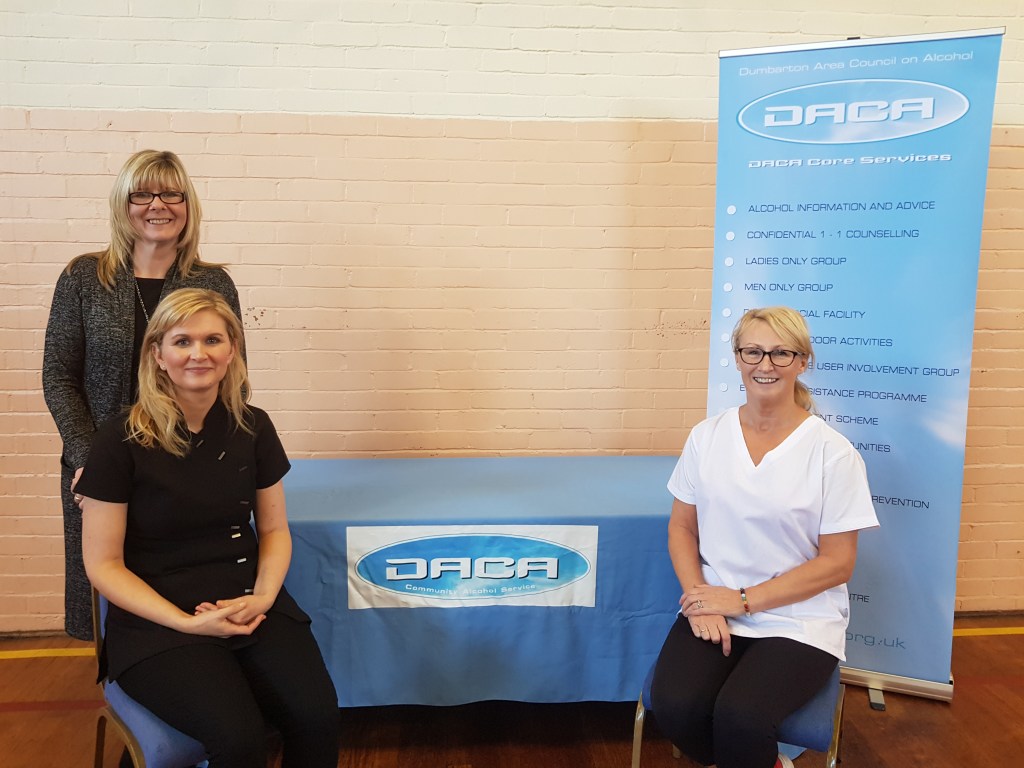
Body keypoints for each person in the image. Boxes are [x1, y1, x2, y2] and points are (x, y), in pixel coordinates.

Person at [76, 288, 339, 767]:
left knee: (318, 718)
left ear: (232, 350)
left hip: (248, 602)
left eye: (212, 339)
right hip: (160, 621)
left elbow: (274, 531)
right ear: (158, 355)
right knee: (240, 739)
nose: (199, 353)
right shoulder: (118, 440)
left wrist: (263, 597)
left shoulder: (254, 427)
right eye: (182, 341)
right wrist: (187, 623)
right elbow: (103, 564)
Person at [649, 306, 878, 768]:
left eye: (780, 353)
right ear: (737, 358)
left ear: (802, 361)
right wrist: (701, 597)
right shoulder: (706, 437)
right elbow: (682, 527)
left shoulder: (833, 454)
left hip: (799, 617)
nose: (765, 364)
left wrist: (743, 600)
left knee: (741, 717)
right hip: (716, 601)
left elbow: (838, 562)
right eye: (753, 351)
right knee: (675, 707)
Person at [43, 149, 243, 640]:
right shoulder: (83, 278)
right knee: (105, 596)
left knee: (184, 588)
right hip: (98, 462)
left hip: (181, 464)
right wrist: (90, 460)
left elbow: (229, 376)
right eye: (143, 194)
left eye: (171, 193)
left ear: (187, 203)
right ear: (123, 204)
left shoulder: (212, 282)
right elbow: (58, 376)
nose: (158, 205)